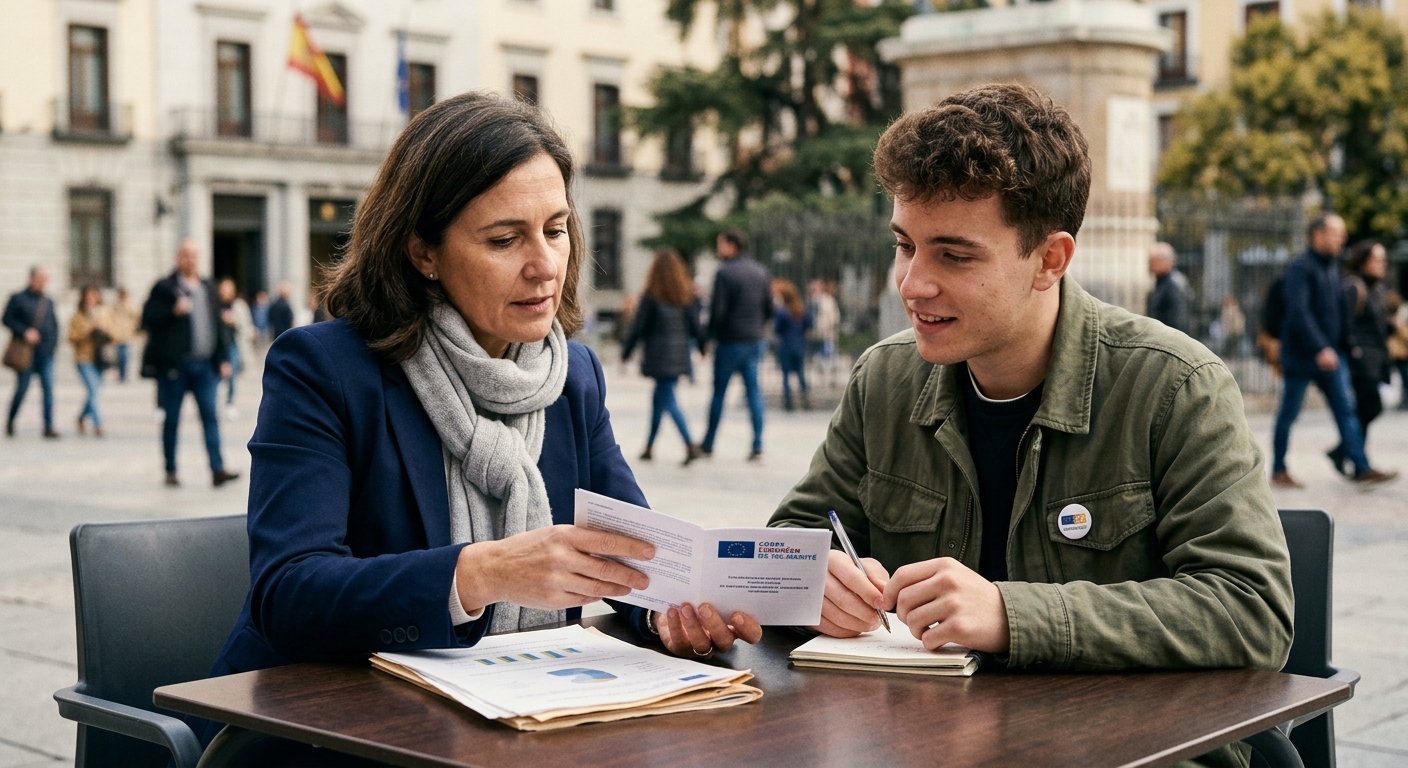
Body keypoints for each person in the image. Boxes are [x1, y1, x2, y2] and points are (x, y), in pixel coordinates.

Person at [200, 93, 757, 763]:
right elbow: (288, 594)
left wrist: (673, 611)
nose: (546, 263)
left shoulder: (573, 375)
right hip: (322, 736)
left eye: (556, 229)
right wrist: (480, 573)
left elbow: (628, 554)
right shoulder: (324, 369)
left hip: (517, 726)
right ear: (423, 252)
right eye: (504, 239)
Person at [766, 84, 1293, 768]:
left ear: (1051, 260)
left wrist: (1012, 616)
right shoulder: (883, 380)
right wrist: (813, 580)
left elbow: (1252, 609)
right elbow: (792, 536)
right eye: (905, 246)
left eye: (953, 256)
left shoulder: (1172, 386)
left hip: (1133, 751)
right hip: (918, 744)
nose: (912, 283)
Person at [1271, 213, 1396, 487]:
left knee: (1346, 410)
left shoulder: (1332, 267)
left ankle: (1361, 468)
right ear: (1318, 235)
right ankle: (1279, 469)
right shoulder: (1300, 267)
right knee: (1289, 413)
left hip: (1330, 354)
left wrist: (1342, 347)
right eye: (1337, 233)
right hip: (1304, 355)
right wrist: (1320, 347)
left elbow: (1339, 313)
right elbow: (1298, 312)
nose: (1343, 238)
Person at [140, 238, 240, 488]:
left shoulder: (209, 287)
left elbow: (218, 326)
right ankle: (171, 469)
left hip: (205, 366)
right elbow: (147, 318)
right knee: (172, 419)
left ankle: (217, 469)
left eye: (195, 255)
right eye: (186, 255)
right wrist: (172, 311)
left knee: (210, 417)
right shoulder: (164, 287)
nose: (191, 260)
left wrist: (223, 359)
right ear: (178, 258)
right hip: (176, 367)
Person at [621, 249, 707, 465]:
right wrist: (703, 346)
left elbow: (638, 328)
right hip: (679, 355)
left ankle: (689, 444)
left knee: (667, 398)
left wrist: (626, 353)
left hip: (659, 356)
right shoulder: (685, 295)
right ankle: (649, 447)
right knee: (659, 399)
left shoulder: (651, 296)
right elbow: (695, 325)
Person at [699, 230, 772, 461]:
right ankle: (757, 444)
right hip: (754, 340)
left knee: (719, 393)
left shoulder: (724, 273)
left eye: (721, 244)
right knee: (754, 393)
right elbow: (770, 309)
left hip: (730, 342)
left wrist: (707, 339)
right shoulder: (761, 272)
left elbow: (717, 313)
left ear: (731, 246)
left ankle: (709, 443)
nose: (719, 249)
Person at [1334, 241, 1395, 469]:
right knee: (1370, 407)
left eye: (1384, 260)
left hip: (1377, 359)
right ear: (1363, 261)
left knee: (1365, 409)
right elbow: (1347, 323)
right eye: (1378, 260)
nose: (1383, 265)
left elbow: (1376, 325)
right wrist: (1354, 351)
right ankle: (1348, 454)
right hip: (1362, 360)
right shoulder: (1354, 286)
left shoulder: (1376, 288)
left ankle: (1350, 455)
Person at [4, 266, 59, 439]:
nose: (44, 283)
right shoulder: (18, 298)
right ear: (32, 279)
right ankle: (11, 421)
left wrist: (53, 345)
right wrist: (24, 331)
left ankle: (48, 426)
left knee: (48, 390)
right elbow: (6, 318)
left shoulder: (48, 301)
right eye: (41, 279)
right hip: (26, 353)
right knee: (22, 389)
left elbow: (54, 325)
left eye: (46, 279)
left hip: (46, 354)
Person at [67, 286, 113, 437]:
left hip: (100, 358)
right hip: (83, 358)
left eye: (94, 296)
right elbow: (71, 337)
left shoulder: (105, 313)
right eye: (88, 297)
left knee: (95, 392)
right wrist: (87, 330)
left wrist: (104, 329)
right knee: (93, 389)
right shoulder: (77, 316)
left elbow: (116, 333)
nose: (91, 300)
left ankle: (81, 417)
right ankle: (98, 424)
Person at [218, 278, 255, 421]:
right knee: (215, 376)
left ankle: (230, 403)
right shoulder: (215, 303)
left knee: (232, 375)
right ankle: (212, 403)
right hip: (217, 344)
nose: (226, 292)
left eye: (229, 289)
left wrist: (234, 321)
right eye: (224, 289)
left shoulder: (239, 305)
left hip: (233, 343)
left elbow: (246, 324)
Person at [772, 278, 811, 411]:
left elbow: (777, 329)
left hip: (786, 345)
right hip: (800, 344)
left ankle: (788, 400)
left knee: (786, 374)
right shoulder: (801, 310)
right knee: (800, 371)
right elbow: (808, 325)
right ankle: (805, 396)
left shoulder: (782, 312)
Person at [1146, 242, 1191, 334]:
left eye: (1152, 261)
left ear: (1164, 262)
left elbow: (1178, 321)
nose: (1149, 266)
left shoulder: (1174, 284)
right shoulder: (1162, 282)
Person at [808, 278, 840, 389]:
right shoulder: (811, 302)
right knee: (818, 357)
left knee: (829, 356)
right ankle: (822, 379)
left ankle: (831, 378)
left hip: (826, 333)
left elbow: (834, 317)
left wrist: (828, 327)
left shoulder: (828, 300)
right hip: (816, 334)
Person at [109, 287, 139, 382]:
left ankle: (123, 374)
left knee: (125, 355)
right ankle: (120, 373)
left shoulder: (130, 305)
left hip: (127, 334)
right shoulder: (115, 306)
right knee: (118, 355)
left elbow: (136, 317)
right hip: (116, 333)